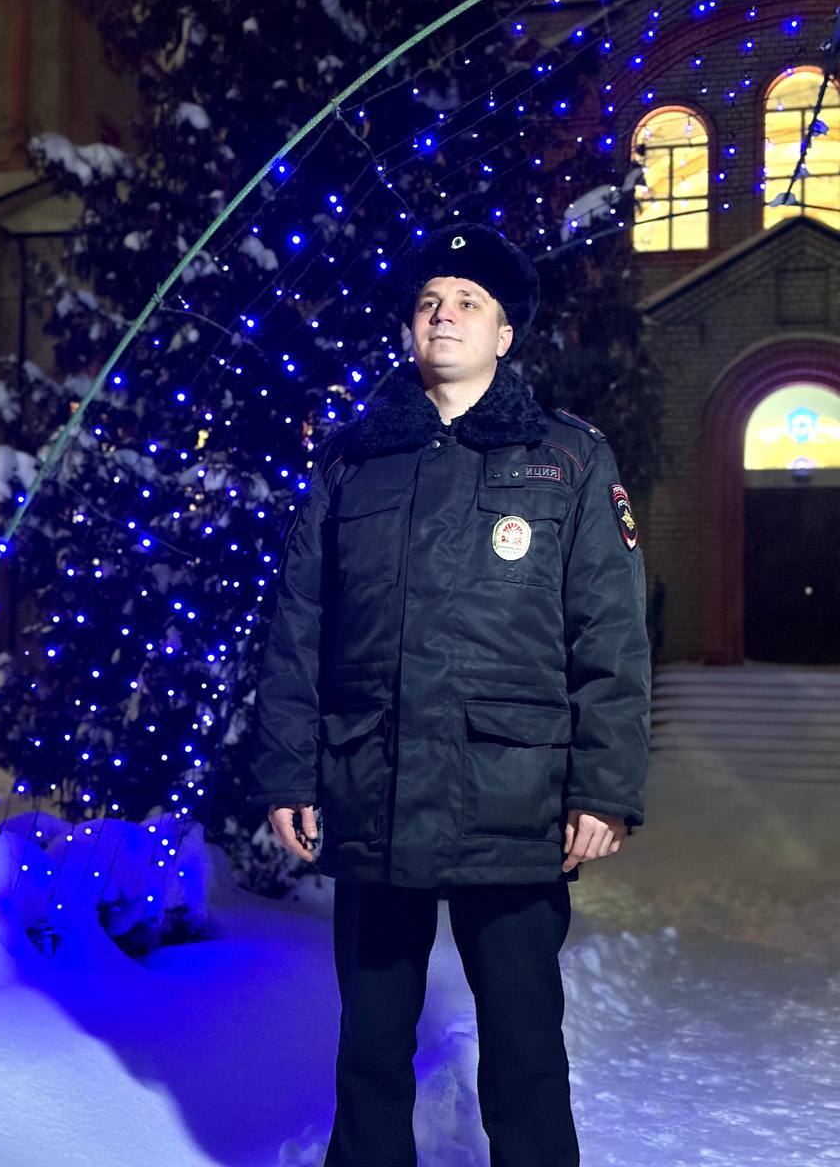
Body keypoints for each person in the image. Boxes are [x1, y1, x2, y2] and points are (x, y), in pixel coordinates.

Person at [246, 222, 651, 1167]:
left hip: (513, 797)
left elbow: (611, 634)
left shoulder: (568, 459)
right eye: (429, 300)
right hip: (373, 784)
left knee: (524, 1047)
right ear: (408, 329)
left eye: (469, 301)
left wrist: (605, 787)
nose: (444, 314)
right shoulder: (352, 462)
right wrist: (287, 772)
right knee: (370, 1045)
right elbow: (300, 624)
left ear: (504, 334)